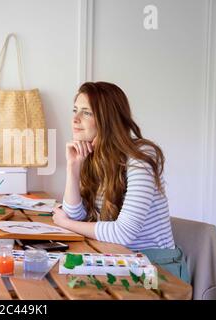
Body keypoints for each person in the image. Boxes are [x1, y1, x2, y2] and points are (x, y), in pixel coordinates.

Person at [52, 81, 190, 282]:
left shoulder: (140, 157)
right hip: (118, 261)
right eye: (75, 110)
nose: (75, 119)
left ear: (107, 118)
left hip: (157, 271)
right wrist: (73, 167)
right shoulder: (92, 155)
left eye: (86, 113)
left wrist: (65, 223)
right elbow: (76, 214)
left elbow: (123, 233)